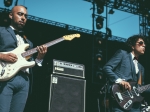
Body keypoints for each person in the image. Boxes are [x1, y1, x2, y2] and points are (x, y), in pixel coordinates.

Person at [0, 5, 47, 112]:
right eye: (20, 14)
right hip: (5, 78)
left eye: (25, 16)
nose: (23, 18)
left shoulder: (29, 43)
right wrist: (2, 56)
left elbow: (32, 65)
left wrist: (40, 58)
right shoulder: (1, 31)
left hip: (24, 81)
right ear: (11, 15)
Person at [103, 34, 146, 112]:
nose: (144, 45)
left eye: (144, 44)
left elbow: (140, 87)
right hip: (119, 97)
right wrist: (120, 81)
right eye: (141, 43)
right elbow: (107, 68)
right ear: (132, 46)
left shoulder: (141, 68)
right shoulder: (122, 54)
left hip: (134, 104)